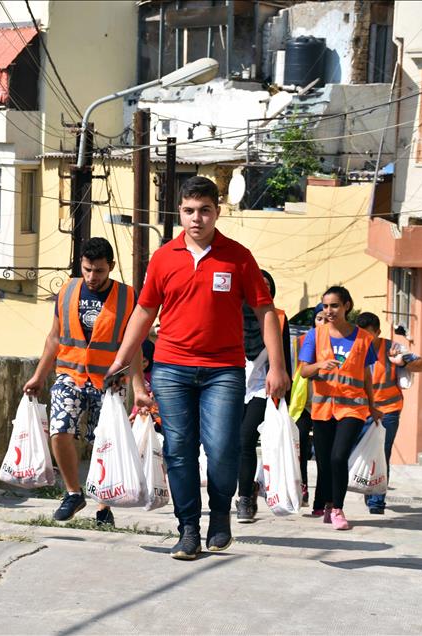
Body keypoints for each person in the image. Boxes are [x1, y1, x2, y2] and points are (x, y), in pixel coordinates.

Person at [107, 176, 290, 560]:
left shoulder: (238, 257)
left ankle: (220, 513)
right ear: (180, 213)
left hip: (223, 370)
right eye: (189, 211)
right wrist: (122, 358)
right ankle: (188, 528)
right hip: (172, 368)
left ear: (217, 212)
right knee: (179, 450)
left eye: (205, 211)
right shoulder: (163, 257)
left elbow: (265, 311)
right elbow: (144, 311)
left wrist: (277, 366)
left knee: (223, 448)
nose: (197, 219)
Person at [23, 237, 139, 527]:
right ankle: (73, 493)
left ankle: (103, 505)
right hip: (70, 374)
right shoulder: (67, 290)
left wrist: (140, 390)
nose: (92, 277)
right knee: (59, 429)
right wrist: (39, 375)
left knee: (105, 443)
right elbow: (54, 337)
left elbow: (134, 345)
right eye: (87, 269)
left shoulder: (127, 297)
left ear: (110, 267)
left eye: (99, 271)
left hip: (109, 382)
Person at [298, 286, 381, 531]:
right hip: (323, 408)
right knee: (324, 461)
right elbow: (303, 371)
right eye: (325, 306)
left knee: (338, 456)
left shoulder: (364, 339)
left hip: (353, 408)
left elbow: (366, 376)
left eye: (334, 305)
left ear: (347, 306)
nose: (329, 311)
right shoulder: (315, 335)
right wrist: (320, 364)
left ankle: (337, 509)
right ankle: (326, 504)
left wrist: (373, 405)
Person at [354, 311, 422, 514]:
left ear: (378, 332)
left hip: (388, 410)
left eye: (369, 335)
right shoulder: (353, 348)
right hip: (361, 410)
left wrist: (402, 362)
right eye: (361, 334)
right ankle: (369, 491)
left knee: (382, 453)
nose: (365, 340)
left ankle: (377, 501)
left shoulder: (393, 349)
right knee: (362, 453)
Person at [235, 270, 291, 523]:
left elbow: (284, 359)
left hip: (261, 389)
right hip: (231, 385)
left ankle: (244, 498)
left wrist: (282, 389)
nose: (263, 289)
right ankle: (242, 488)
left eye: (267, 286)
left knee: (246, 439)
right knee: (231, 443)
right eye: (259, 285)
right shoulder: (232, 312)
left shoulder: (278, 318)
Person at [289, 303, 328, 514]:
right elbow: (296, 370)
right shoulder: (302, 341)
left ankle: (321, 501)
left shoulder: (336, 342)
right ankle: (302, 487)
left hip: (326, 403)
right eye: (319, 318)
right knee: (300, 445)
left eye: (327, 319)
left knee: (323, 452)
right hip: (303, 402)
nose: (323, 323)